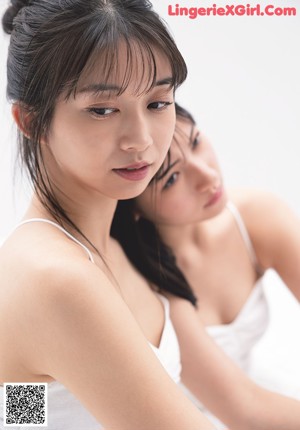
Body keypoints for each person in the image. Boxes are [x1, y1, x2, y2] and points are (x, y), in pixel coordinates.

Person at [0, 2, 218, 429]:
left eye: (158, 102)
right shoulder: (54, 277)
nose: (140, 141)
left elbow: (25, 415)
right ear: (31, 120)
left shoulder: (118, 240)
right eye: (102, 110)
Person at [112, 103, 300, 429]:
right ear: (134, 203)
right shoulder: (142, 280)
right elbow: (244, 411)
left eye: (196, 141)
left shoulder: (256, 215)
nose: (208, 177)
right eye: (171, 179)